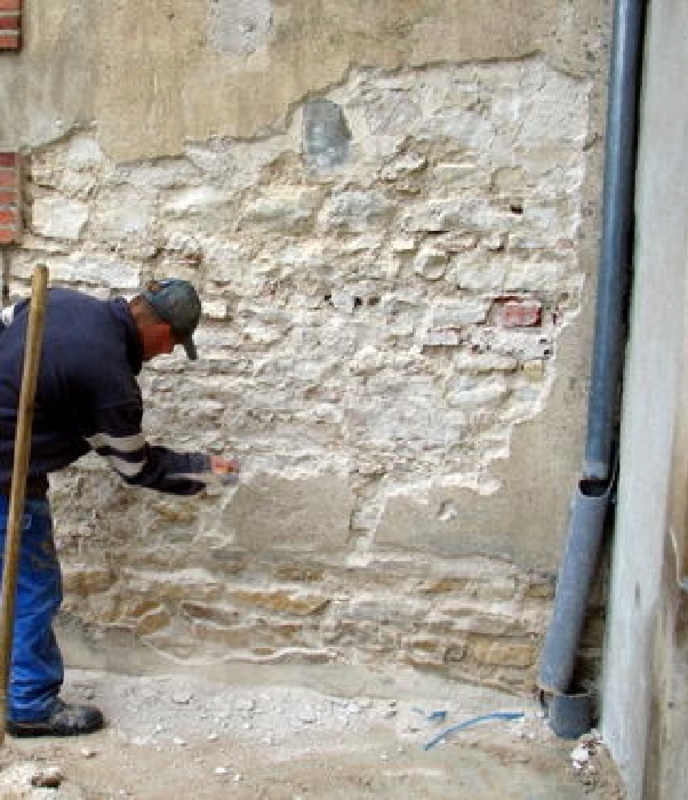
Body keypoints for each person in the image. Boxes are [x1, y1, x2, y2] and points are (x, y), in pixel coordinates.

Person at [0, 278, 240, 737]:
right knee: (34, 587)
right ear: (163, 331)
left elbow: (3, 323)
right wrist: (202, 469)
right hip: (4, 479)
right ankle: (29, 705)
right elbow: (134, 467)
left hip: (11, 465)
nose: (166, 354)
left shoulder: (59, 299)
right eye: (172, 345)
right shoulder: (110, 379)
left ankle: (12, 679)